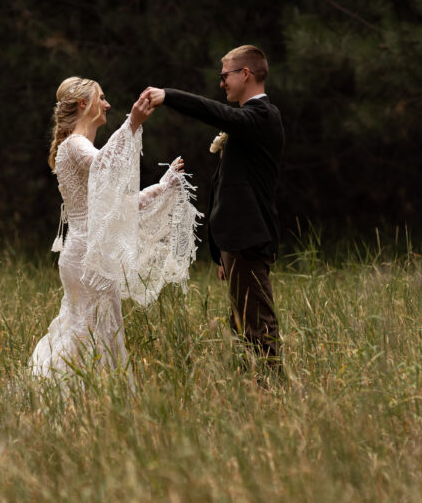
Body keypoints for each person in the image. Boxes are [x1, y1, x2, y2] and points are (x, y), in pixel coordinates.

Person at [30, 77, 200, 383]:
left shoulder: (80, 146)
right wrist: (132, 123)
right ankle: (76, 396)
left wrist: (162, 187)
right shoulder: (75, 145)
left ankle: (84, 396)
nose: (107, 104)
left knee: (94, 329)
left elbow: (119, 203)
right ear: (84, 104)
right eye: (102, 98)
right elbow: (104, 166)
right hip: (85, 256)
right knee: (91, 333)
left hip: (84, 253)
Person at [144, 45, 285, 372]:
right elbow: (227, 187)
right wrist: (222, 249)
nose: (221, 83)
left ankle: (271, 394)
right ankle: (256, 390)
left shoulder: (262, 116)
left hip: (250, 238)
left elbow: (218, 113)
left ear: (246, 74)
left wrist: (169, 95)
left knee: (258, 326)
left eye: (225, 76)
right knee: (243, 324)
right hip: (238, 243)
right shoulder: (249, 121)